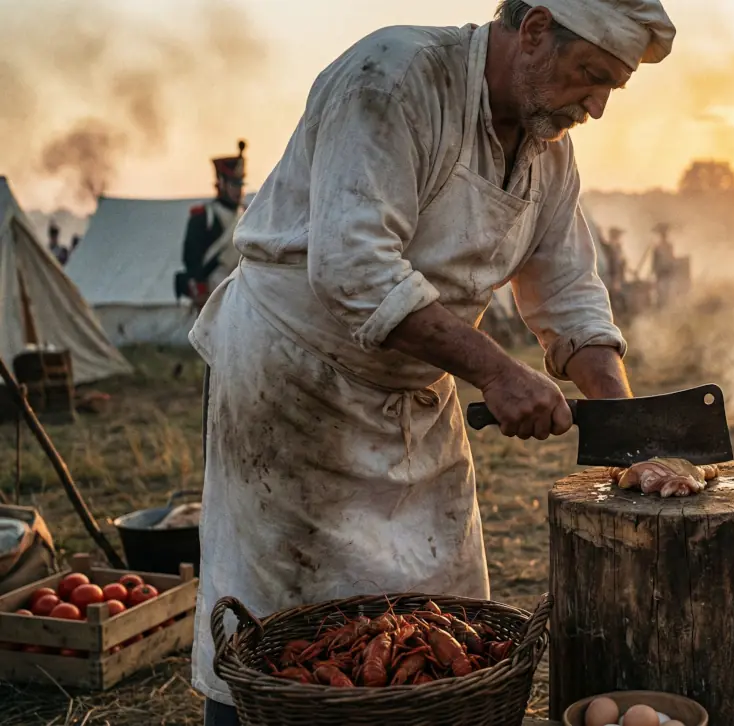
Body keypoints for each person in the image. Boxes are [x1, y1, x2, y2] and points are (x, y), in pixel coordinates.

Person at [188, 1, 674, 723]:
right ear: (535, 29)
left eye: (614, 87)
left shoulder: (549, 153)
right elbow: (354, 266)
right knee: (281, 628)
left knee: (444, 624)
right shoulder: (392, 78)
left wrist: (631, 433)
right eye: (591, 76)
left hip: (418, 393)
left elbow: (569, 296)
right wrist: (500, 372)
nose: (598, 106)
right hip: (297, 384)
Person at [179, 141, 247, 311]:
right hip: (213, 289)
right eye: (233, 184)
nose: (238, 191)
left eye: (240, 185)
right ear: (221, 184)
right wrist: (199, 287)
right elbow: (192, 255)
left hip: (242, 284)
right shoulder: (205, 215)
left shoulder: (246, 213)